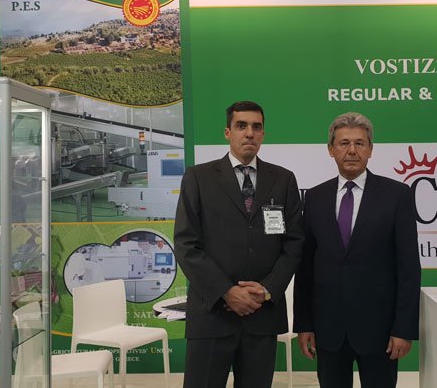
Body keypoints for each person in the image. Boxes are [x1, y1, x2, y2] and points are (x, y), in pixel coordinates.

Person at [174, 100, 304, 388]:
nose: (249, 133)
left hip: (262, 315)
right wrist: (227, 291)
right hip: (212, 315)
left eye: (256, 127)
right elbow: (186, 244)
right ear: (227, 132)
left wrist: (267, 290)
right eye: (241, 126)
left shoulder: (283, 179)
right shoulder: (198, 177)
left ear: (263, 134)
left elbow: (294, 243)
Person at [293, 112, 420, 388]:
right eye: (344, 143)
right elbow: (305, 268)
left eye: (360, 143)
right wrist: (304, 324)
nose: (352, 150)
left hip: (380, 332)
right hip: (328, 331)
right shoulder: (314, 198)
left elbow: (409, 268)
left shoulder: (397, 195)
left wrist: (403, 329)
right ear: (331, 149)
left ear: (371, 149)